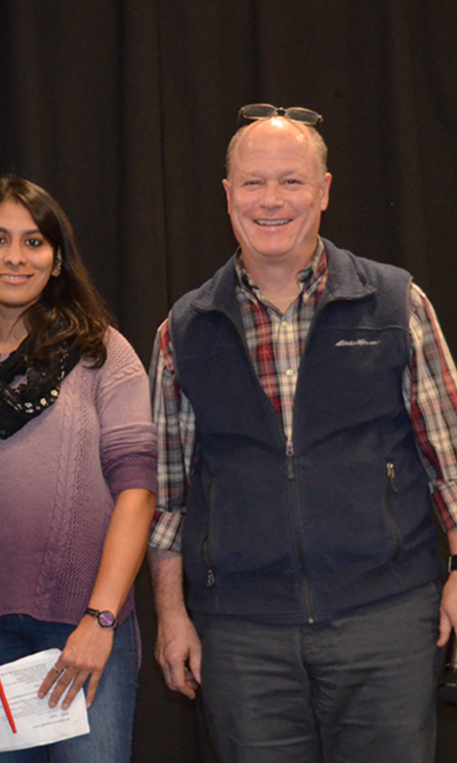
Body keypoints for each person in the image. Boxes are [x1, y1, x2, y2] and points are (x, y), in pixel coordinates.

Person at [148, 104, 457, 763]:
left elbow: (449, 460)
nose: (270, 200)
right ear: (227, 195)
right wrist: (172, 614)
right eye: (253, 182)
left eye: (290, 181)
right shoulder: (183, 330)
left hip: (385, 620)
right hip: (240, 636)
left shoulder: (395, 303)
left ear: (323, 191)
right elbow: (166, 496)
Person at [0, 177, 157, 762]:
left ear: (57, 259)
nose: (16, 257)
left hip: (87, 633)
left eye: (34, 242)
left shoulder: (105, 354)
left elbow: (138, 494)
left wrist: (101, 621)